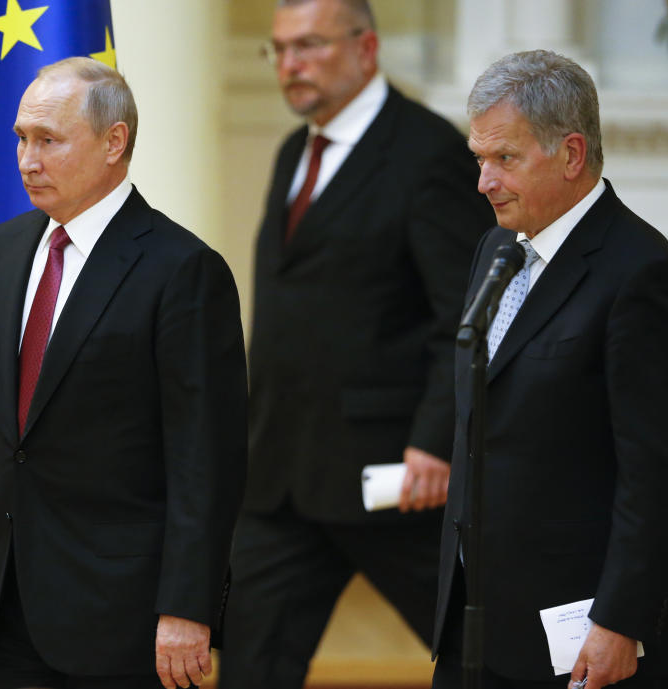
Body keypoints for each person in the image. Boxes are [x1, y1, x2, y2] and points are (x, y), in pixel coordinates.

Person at [0, 57, 248, 689]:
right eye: (21, 138)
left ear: (113, 142)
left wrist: (187, 606)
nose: (26, 159)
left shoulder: (183, 270)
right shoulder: (5, 249)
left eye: (48, 140)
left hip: (123, 617)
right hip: (8, 602)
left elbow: (206, 458)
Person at [218, 1, 492, 686]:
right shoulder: (293, 151)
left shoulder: (429, 153)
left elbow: (466, 312)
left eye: (308, 45)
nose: (290, 64)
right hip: (280, 474)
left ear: (366, 48)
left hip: (397, 477)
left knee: (481, 651)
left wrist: (436, 438)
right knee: (250, 666)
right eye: (278, 50)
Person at [431, 50, 668, 689]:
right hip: (476, 623)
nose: (484, 182)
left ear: (572, 154)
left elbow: (655, 480)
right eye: (479, 159)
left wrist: (620, 623)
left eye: (504, 159)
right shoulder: (496, 248)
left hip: (585, 636)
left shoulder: (642, 275)